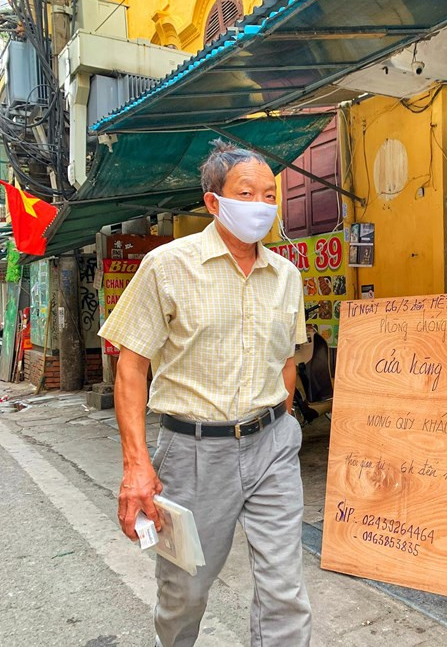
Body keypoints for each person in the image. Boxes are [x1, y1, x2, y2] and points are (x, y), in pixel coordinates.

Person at [99, 140, 311, 646]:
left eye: (269, 195)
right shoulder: (167, 265)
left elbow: (287, 361)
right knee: (185, 592)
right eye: (247, 193)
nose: (261, 206)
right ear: (214, 202)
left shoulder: (287, 277)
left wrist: (279, 424)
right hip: (194, 454)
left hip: (273, 446)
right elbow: (131, 365)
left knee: (285, 591)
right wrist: (136, 466)